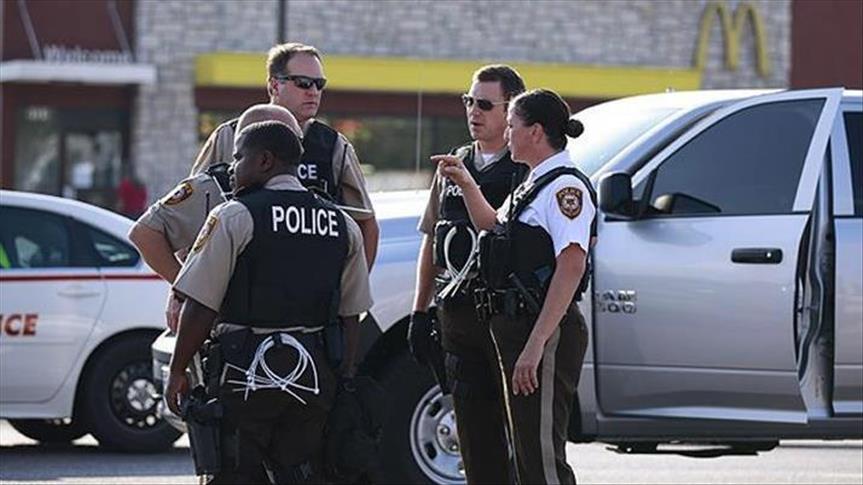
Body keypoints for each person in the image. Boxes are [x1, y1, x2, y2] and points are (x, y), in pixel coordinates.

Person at [164, 120, 372, 483]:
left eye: (238, 158)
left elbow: (200, 305)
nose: (232, 168)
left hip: (243, 377)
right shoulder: (342, 223)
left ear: (264, 161)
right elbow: (351, 316)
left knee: (236, 475)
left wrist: (178, 369)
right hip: (314, 378)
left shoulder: (234, 215)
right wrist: (343, 381)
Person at [435, 89, 595, 485]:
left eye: (511, 125)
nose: (506, 134)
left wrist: (536, 343)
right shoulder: (533, 182)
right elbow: (493, 225)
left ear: (535, 132)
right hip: (518, 327)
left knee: (541, 461)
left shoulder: (564, 189)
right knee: (525, 456)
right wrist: (466, 182)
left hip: (543, 329)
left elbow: (572, 265)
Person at [408, 65, 527, 484]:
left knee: (524, 441)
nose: (473, 111)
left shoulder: (524, 166)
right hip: (458, 315)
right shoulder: (454, 162)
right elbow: (432, 238)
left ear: (510, 109)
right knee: (474, 440)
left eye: (485, 104)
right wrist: (419, 311)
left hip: (506, 316)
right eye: (468, 101)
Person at [189, 42, 379, 269]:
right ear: (273, 86)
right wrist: (194, 281)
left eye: (319, 84)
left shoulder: (334, 146)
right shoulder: (229, 136)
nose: (313, 91)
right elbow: (187, 215)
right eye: (303, 83)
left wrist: (351, 285)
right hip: (242, 276)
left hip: (311, 276)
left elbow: (366, 224)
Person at [129, 104, 303, 332]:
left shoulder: (304, 194)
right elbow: (144, 233)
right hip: (229, 328)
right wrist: (186, 288)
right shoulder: (212, 188)